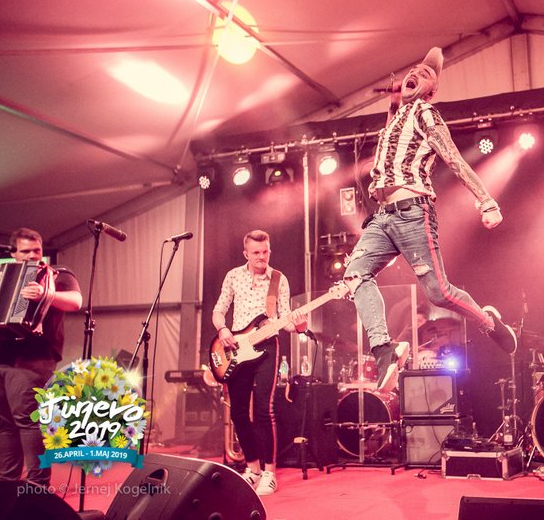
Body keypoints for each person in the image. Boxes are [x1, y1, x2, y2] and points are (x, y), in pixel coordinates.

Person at [343, 46, 517, 393]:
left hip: (412, 211)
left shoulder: (426, 113)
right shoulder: (395, 121)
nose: (415, 74)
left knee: (439, 293)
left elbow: (453, 159)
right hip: (382, 218)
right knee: (354, 276)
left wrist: (486, 201)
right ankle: (384, 351)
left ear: (431, 92)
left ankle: (488, 321)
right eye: (413, 71)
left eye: (425, 75)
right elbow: (393, 124)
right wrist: (393, 103)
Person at [212, 230, 307, 496]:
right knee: (239, 412)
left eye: (265, 251)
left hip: (267, 347)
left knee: (265, 410)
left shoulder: (278, 279)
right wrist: (222, 329)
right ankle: (252, 468)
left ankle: (269, 473)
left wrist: (299, 326)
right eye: (256, 252)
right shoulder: (233, 276)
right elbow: (219, 310)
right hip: (236, 348)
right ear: (246, 254)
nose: (261, 257)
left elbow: (286, 319)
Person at [0, 227, 82, 487]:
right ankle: (7, 486)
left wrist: (46, 294)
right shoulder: (1, 274)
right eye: (26, 251)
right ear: (13, 253)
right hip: (1, 357)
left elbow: (76, 301)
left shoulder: (57, 274)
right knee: (2, 424)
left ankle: (36, 488)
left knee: (28, 420)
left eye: (37, 250)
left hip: (34, 359)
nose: (33, 256)